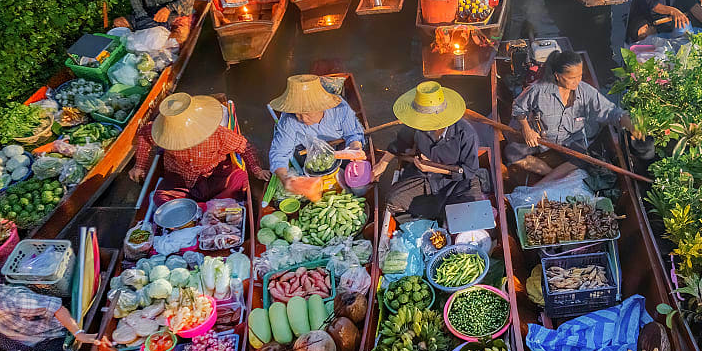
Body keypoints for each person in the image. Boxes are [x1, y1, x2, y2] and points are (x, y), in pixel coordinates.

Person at [507, 50, 640, 177]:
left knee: (584, 159)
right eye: (571, 78)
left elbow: (610, 111)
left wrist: (627, 121)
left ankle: (554, 179)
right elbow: (518, 107)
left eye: (580, 76)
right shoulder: (539, 90)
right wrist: (527, 129)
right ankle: (551, 176)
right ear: (557, 76)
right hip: (542, 139)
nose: (577, 81)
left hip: (570, 140)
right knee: (512, 152)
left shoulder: (585, 91)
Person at [371, 81, 484, 218]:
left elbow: (469, 171)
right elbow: (399, 143)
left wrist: (432, 168)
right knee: (392, 200)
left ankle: (439, 216)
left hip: (457, 183)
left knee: (469, 215)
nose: (421, 124)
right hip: (426, 179)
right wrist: (383, 163)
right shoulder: (416, 125)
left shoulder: (466, 133)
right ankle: (430, 218)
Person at [130, 93, 268, 203]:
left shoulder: (218, 134)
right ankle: (205, 206)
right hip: (180, 179)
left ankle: (206, 206)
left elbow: (245, 147)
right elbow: (144, 136)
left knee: (239, 179)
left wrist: (257, 170)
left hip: (212, 176)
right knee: (160, 198)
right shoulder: (161, 131)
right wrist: (139, 166)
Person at [269, 75, 367, 196]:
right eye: (298, 114)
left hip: (338, 144)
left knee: (360, 187)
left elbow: (353, 134)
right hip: (305, 151)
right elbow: (279, 154)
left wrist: (355, 148)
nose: (303, 119)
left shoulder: (340, 108)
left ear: (322, 106)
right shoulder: (288, 118)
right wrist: (285, 179)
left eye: (307, 113)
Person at [0, 284, 98, 351]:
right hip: (25, 346)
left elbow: (55, 308)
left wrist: (78, 333)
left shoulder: (7, 301)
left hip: (52, 338)